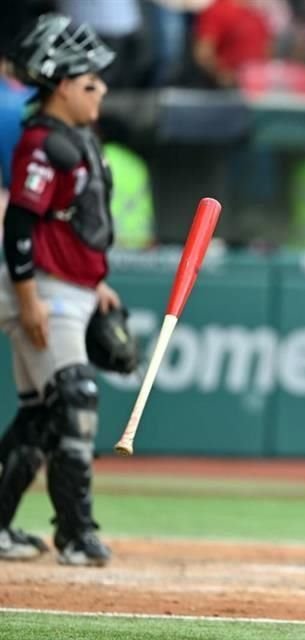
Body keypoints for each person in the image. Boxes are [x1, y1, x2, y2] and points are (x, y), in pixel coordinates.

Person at [0, 13, 122, 565]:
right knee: (76, 398)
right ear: (65, 84)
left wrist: (97, 283)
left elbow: (71, 224)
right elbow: (20, 225)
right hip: (42, 289)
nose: (100, 89)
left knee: (39, 415)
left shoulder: (75, 139)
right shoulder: (44, 142)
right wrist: (28, 298)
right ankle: (76, 533)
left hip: (71, 287)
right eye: (90, 81)